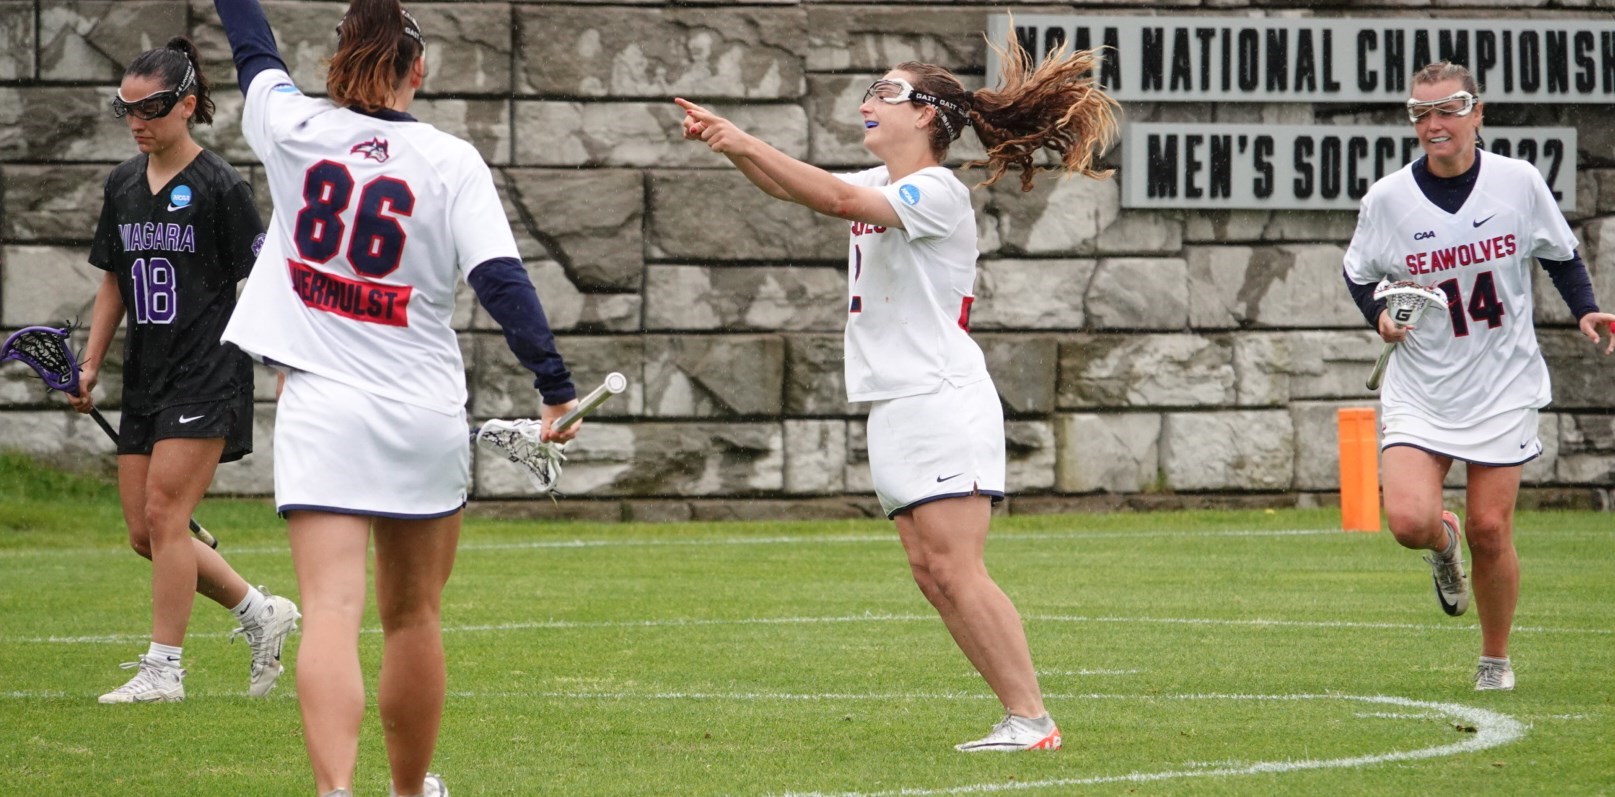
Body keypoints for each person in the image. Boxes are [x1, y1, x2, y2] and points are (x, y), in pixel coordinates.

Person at [676, 34, 1117, 751]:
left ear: (927, 115)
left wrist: (744, 137)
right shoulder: (883, 186)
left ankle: (1031, 718)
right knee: (929, 570)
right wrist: (734, 149)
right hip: (896, 400)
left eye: (884, 93)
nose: (865, 104)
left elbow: (830, 193)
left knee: (954, 566)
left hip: (939, 397)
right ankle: (1020, 717)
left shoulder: (935, 190)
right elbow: (799, 186)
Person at [212, 1, 579, 794]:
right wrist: (552, 385)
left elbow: (249, 44)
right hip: (422, 410)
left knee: (331, 611)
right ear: (421, 69)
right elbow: (500, 282)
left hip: (323, 409)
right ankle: (409, 792)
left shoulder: (291, 126)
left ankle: (335, 790)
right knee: (412, 616)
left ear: (337, 57)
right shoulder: (451, 160)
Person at [1342, 61, 1615, 691]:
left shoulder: (1516, 182)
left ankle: (1495, 660)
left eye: (1448, 109)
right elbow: (1358, 274)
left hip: (1502, 383)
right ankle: (1444, 545)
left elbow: (1560, 254)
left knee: (1493, 529)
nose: (1435, 124)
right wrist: (1380, 316)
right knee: (1410, 522)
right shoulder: (1388, 198)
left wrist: (1586, 310)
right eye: (1421, 113)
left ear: (1477, 112)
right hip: (1423, 384)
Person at [68, 37, 300, 705]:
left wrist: (284, 363)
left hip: (208, 371)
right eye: (126, 110)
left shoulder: (221, 186)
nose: (136, 122)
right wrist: (90, 365)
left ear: (188, 106)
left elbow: (261, 281)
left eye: (150, 109)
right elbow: (114, 281)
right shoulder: (121, 185)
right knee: (146, 534)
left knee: (168, 514)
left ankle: (163, 670)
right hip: (147, 374)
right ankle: (260, 611)